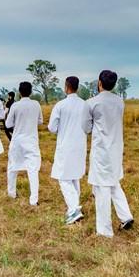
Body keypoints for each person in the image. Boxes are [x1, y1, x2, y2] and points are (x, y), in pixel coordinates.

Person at [86, 70, 134, 238]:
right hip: (116, 148)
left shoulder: (92, 103)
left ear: (99, 83)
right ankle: (125, 215)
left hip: (101, 150)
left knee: (102, 189)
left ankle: (104, 230)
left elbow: (86, 127)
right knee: (113, 183)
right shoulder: (119, 101)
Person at [48, 75, 92, 225]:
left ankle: (74, 209)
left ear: (66, 87)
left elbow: (52, 127)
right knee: (74, 177)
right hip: (80, 145)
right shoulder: (85, 105)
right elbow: (89, 126)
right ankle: (74, 208)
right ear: (77, 87)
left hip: (65, 145)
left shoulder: (60, 105)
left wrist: (63, 128)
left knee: (64, 178)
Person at [5, 81, 43, 205]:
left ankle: (11, 193)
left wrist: (18, 122)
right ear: (31, 92)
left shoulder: (15, 106)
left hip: (17, 140)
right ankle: (34, 199)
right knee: (33, 170)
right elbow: (40, 121)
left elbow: (8, 124)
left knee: (12, 167)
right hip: (31, 140)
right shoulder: (36, 104)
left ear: (19, 92)